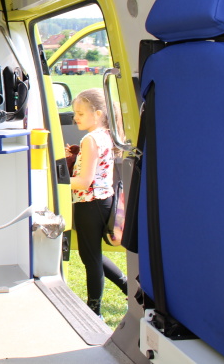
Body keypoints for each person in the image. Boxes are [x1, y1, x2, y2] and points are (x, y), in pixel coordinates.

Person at [66, 88, 128, 318]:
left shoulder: (90, 139)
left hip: (89, 203)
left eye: (81, 113)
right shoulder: (105, 135)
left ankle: (95, 311)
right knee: (93, 255)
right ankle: (128, 287)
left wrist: (57, 180)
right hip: (103, 202)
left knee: (90, 259)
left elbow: (84, 182)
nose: (75, 117)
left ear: (98, 113)